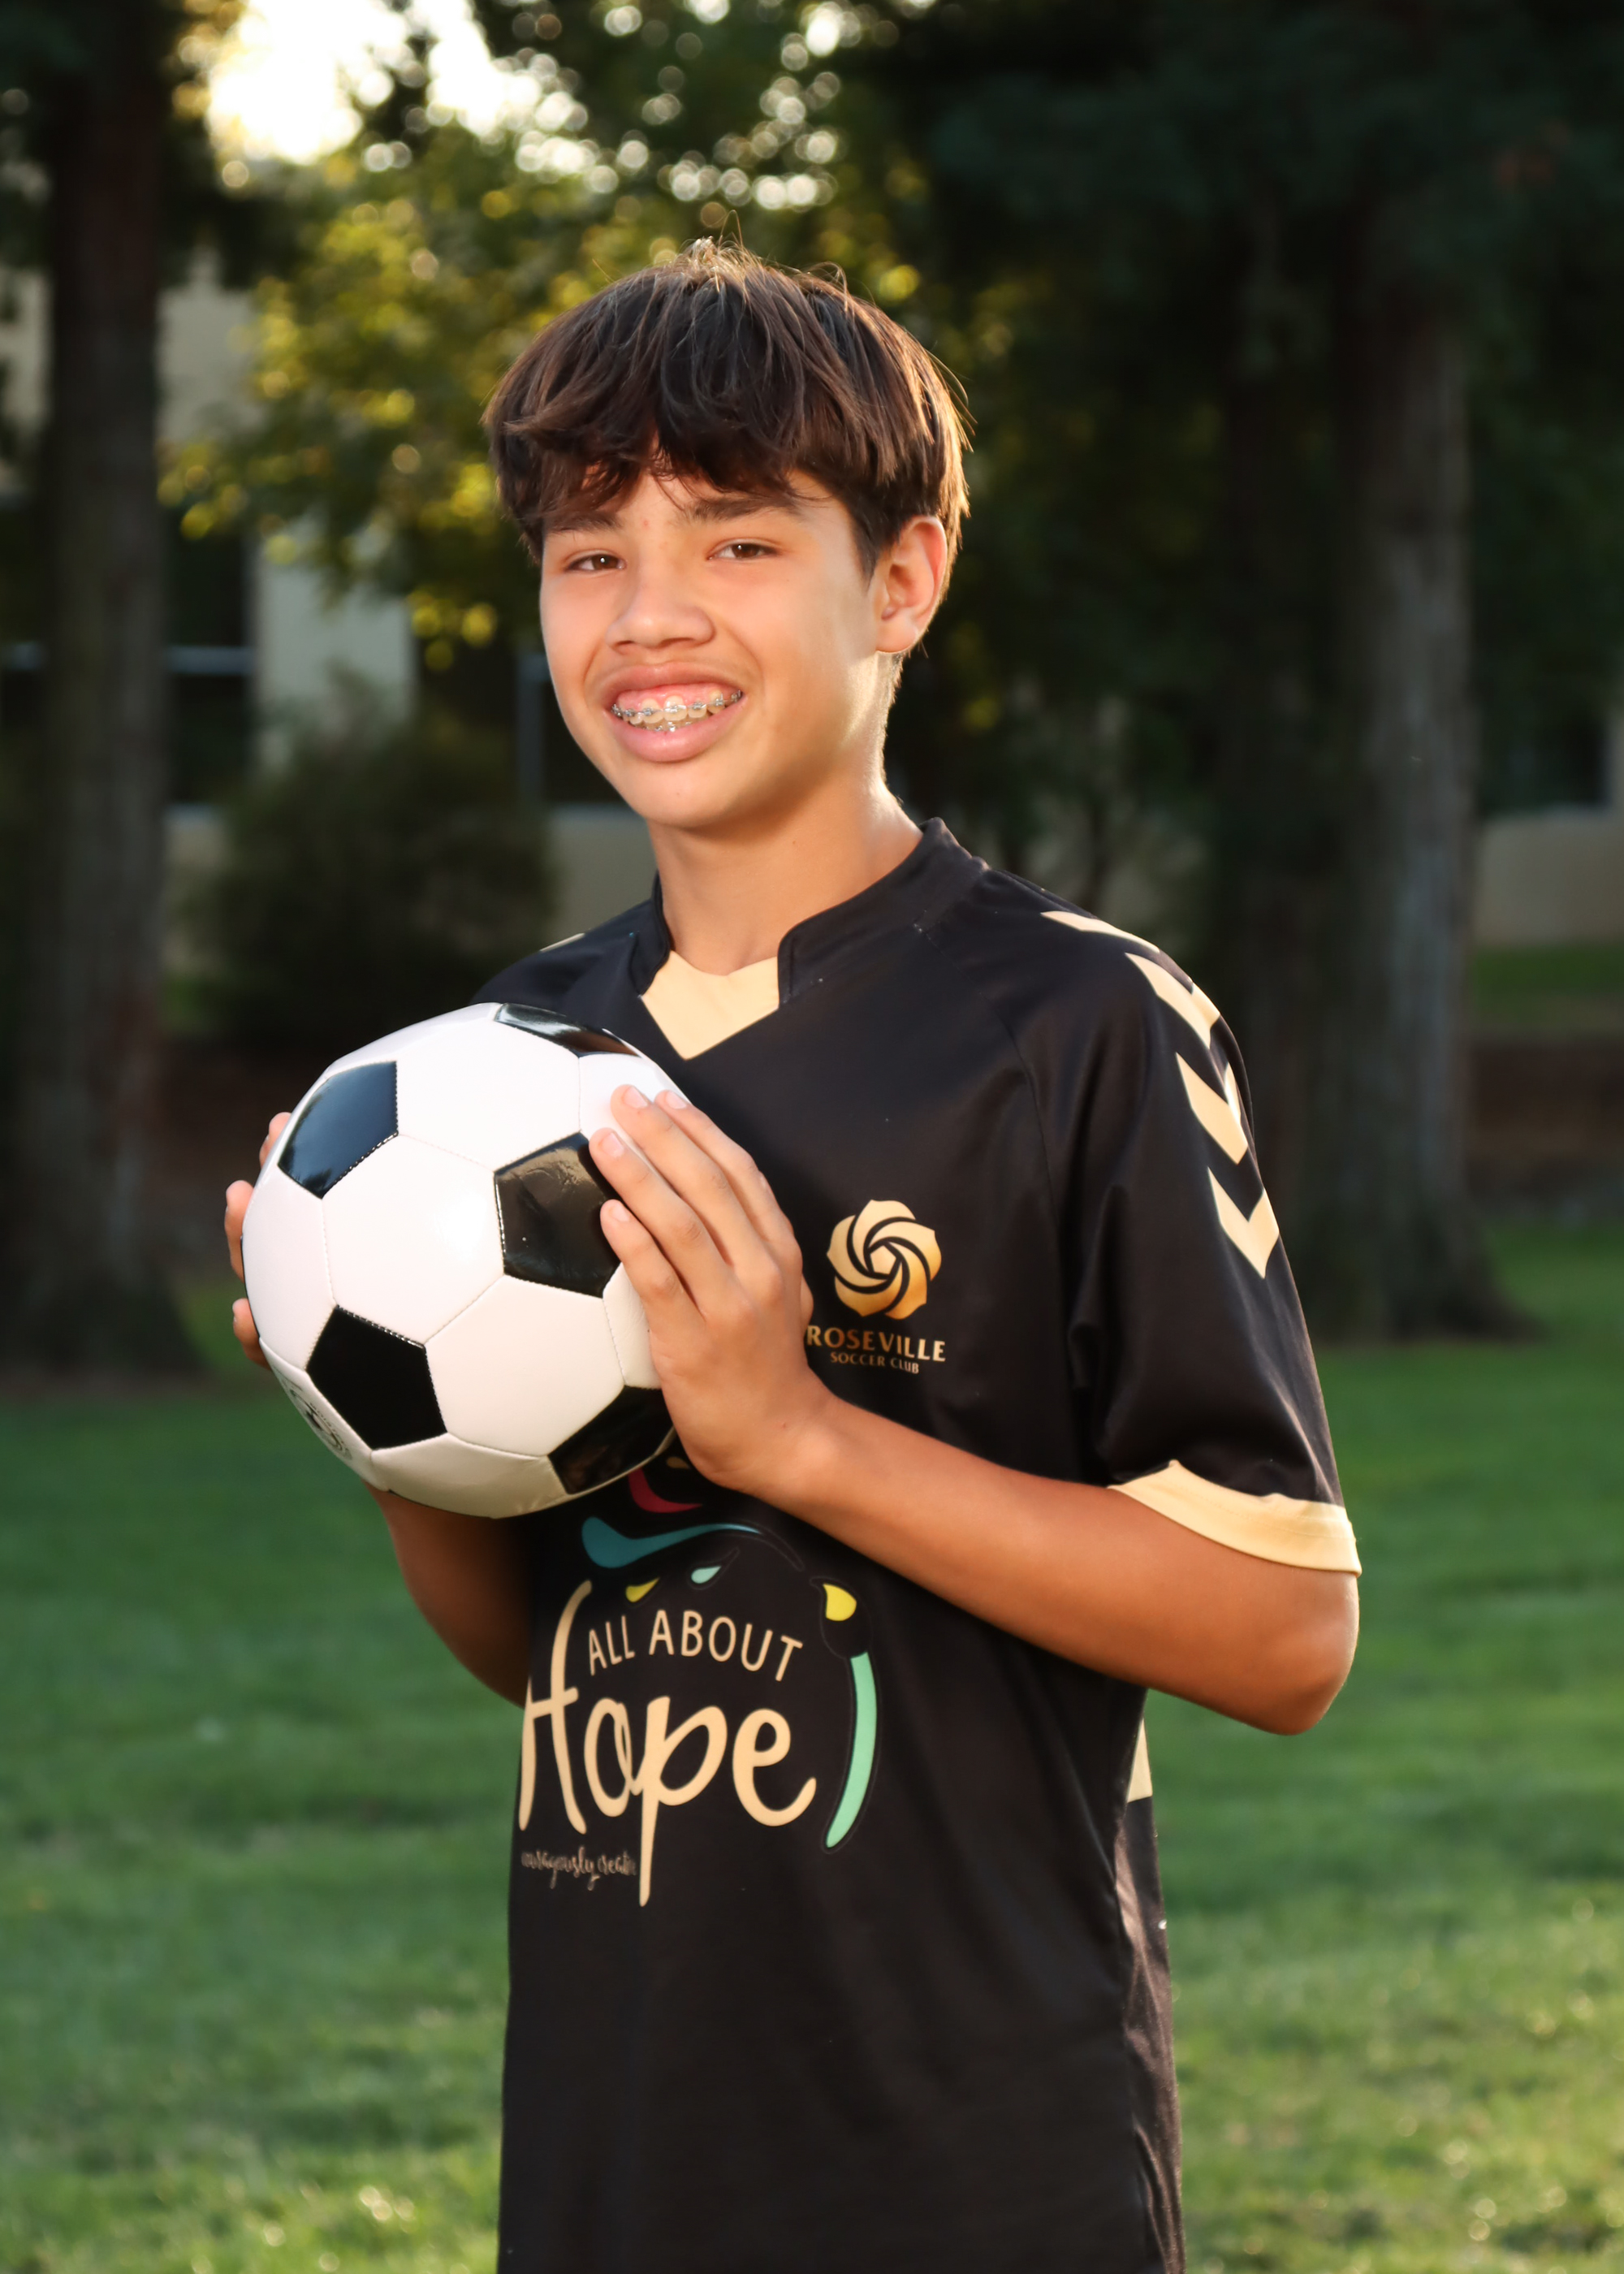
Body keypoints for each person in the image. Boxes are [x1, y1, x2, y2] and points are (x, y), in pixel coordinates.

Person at [225, 240, 1358, 2274]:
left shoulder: (1077, 1025)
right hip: (617, 2144)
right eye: (589, 554)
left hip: (979, 2155)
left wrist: (795, 1435)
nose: (649, 613)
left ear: (901, 578)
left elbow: (1283, 1633)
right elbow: (543, 1646)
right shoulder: (506, 1062)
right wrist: (389, 1431)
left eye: (738, 541)